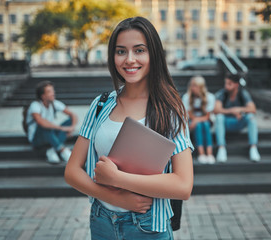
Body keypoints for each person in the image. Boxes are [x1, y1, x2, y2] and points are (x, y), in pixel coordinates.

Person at [64, 17, 194, 239]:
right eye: (121, 51)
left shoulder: (170, 109)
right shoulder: (101, 104)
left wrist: (117, 179)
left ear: (153, 54)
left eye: (139, 50)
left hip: (148, 226)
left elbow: (183, 185)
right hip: (101, 221)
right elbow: (72, 171)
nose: (130, 59)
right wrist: (115, 197)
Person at [25, 80, 78, 164]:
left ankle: (51, 150)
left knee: (69, 121)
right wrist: (62, 128)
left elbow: (73, 115)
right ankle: (62, 150)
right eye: (49, 91)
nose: (53, 93)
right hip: (37, 138)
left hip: (50, 134)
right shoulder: (35, 105)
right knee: (45, 125)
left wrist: (71, 128)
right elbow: (41, 122)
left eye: (53, 90)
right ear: (43, 96)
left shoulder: (54, 103)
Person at [214, 72, 261, 162]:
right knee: (219, 117)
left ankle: (253, 148)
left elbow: (253, 109)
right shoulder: (222, 94)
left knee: (251, 117)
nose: (226, 86)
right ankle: (221, 148)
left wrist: (239, 109)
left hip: (239, 122)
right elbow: (216, 110)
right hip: (226, 123)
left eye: (229, 84)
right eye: (226, 83)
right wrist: (232, 111)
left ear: (236, 85)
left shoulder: (243, 93)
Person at [182, 76, 216, 164]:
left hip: (205, 121)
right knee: (200, 125)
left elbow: (207, 116)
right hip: (192, 121)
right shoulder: (187, 97)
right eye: (192, 85)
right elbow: (189, 114)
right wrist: (196, 120)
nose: (192, 88)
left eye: (195, 86)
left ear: (201, 87)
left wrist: (196, 120)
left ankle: (209, 153)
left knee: (204, 124)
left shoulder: (210, 97)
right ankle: (201, 153)